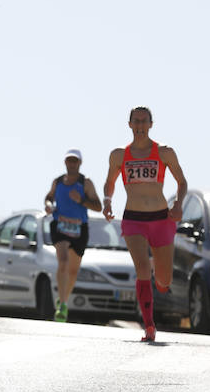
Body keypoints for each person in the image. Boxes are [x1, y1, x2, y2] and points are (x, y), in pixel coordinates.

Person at [103, 106, 187, 342]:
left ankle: (159, 282)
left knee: (164, 280)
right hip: (134, 220)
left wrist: (178, 204)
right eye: (136, 121)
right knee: (142, 269)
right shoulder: (119, 155)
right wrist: (108, 201)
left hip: (161, 219)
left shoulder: (164, 152)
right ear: (129, 125)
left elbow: (181, 181)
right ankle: (149, 326)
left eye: (144, 121)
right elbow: (110, 182)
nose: (140, 126)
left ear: (151, 124)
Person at [44, 148, 102, 322]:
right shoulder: (58, 182)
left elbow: (98, 206)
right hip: (60, 225)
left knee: (73, 271)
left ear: (80, 163)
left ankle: (63, 300)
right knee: (62, 261)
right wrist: (48, 205)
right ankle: (61, 306)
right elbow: (48, 197)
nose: (71, 164)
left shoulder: (86, 183)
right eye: (69, 160)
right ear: (65, 162)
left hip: (79, 228)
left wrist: (82, 200)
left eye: (75, 161)